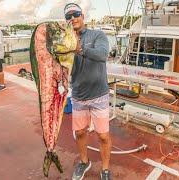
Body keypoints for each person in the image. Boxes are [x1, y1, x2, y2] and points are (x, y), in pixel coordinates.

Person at [64, 3, 112, 180]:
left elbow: (102, 55)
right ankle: (84, 162)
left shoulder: (97, 34)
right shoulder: (64, 41)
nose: (73, 18)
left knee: (103, 135)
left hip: (99, 94)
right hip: (78, 95)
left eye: (75, 14)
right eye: (68, 17)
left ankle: (105, 169)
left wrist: (80, 49)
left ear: (82, 15)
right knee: (80, 132)